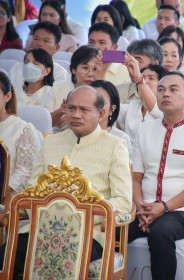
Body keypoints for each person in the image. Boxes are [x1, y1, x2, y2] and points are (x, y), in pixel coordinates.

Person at [0, 85, 132, 278]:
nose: (76, 114)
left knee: (64, 260)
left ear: (101, 113)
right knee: (4, 258)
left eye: (84, 110)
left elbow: (123, 201)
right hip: (40, 230)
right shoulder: (51, 143)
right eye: (71, 108)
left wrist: (77, 216)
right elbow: (31, 192)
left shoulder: (115, 146)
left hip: (89, 234)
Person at [129, 71, 184, 280]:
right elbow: (136, 177)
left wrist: (165, 207)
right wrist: (140, 207)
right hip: (145, 209)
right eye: (160, 90)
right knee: (115, 229)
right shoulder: (144, 129)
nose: (165, 94)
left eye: (173, 89)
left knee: (161, 232)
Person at [0, 71, 40, 199]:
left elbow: (25, 172)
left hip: (8, 198)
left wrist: (3, 191)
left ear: (8, 97)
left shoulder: (23, 129)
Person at [118, 59, 167, 147]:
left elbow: (154, 109)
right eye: (143, 78)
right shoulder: (131, 107)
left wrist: (139, 80)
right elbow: (106, 107)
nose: (146, 81)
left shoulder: (166, 110)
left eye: (151, 78)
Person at [9, 21, 70, 89]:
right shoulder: (17, 69)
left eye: (46, 41)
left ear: (56, 48)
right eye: (36, 39)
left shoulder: (60, 74)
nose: (39, 44)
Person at [51, 45, 99, 128]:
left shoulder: (103, 92)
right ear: (73, 69)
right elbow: (45, 121)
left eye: (95, 69)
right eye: (85, 68)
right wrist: (60, 112)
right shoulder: (57, 87)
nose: (90, 74)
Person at [90, 80, 132, 157]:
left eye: (101, 102)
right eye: (90, 100)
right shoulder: (73, 133)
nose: (94, 106)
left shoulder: (120, 139)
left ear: (112, 109)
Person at [116, 39, 164, 104]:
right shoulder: (118, 92)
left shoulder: (165, 94)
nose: (132, 65)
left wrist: (139, 79)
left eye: (138, 61)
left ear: (155, 63)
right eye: (130, 61)